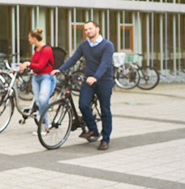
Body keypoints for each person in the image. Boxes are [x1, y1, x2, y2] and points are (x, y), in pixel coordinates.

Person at [53, 20, 114, 151]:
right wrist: (60, 69)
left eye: (90, 29)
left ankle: (105, 139)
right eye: (86, 30)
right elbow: (73, 59)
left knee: (105, 110)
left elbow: (105, 63)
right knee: (83, 104)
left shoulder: (107, 45)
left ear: (98, 29)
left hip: (104, 81)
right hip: (88, 81)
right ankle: (93, 129)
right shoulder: (84, 45)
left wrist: (95, 77)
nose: (88, 32)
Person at [19, 28, 55, 124]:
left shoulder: (46, 49)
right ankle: (42, 123)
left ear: (34, 38)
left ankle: (44, 125)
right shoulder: (36, 49)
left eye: (29, 38)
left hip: (46, 77)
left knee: (43, 100)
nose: (28, 40)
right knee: (39, 101)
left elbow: (41, 66)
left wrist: (27, 63)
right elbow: (35, 64)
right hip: (36, 77)